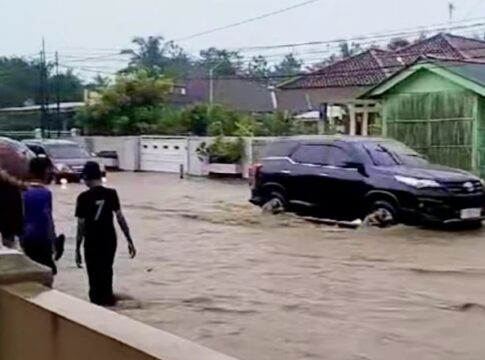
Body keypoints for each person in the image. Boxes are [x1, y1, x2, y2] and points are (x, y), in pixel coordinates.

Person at [75, 161, 136, 307]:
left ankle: (96, 305)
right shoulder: (111, 194)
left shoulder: (83, 197)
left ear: (86, 177)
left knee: (93, 274)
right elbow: (120, 218)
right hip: (109, 239)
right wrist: (129, 240)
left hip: (92, 240)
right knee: (107, 271)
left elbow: (81, 225)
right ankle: (108, 301)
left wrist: (77, 248)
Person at [21, 157, 58, 274]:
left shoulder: (23, 192)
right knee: (47, 271)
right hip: (42, 238)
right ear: (46, 171)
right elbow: (48, 219)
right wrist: (54, 241)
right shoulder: (45, 193)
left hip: (26, 239)